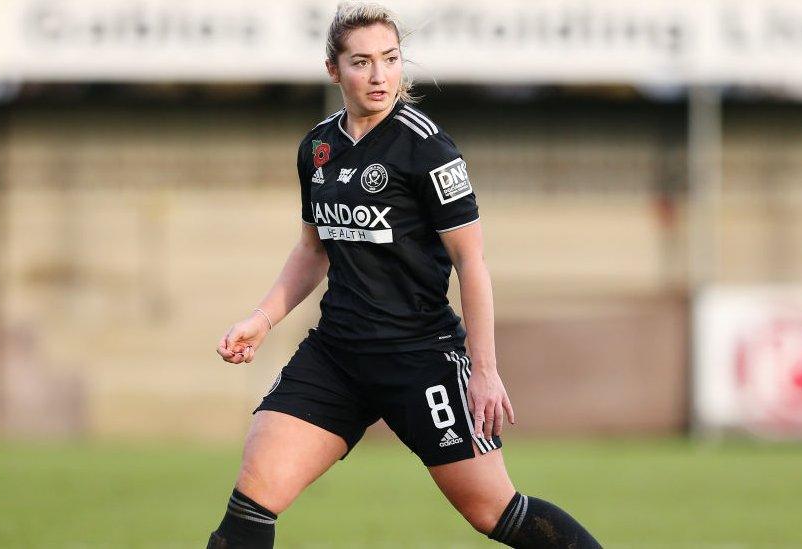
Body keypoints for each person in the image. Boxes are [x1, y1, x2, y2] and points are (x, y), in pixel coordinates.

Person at [208, 3, 601, 548]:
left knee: (495, 512)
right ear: (334, 70)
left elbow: (473, 264)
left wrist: (484, 371)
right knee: (249, 506)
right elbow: (312, 249)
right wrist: (262, 319)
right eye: (362, 62)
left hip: (420, 357)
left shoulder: (428, 149)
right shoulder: (318, 148)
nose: (379, 75)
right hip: (337, 356)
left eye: (390, 60)